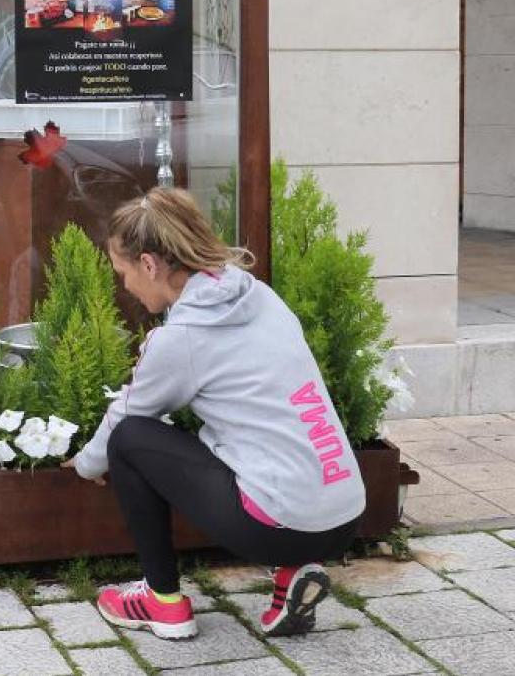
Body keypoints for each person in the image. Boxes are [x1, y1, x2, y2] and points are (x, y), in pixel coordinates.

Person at [62, 188, 365, 640]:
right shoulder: (259, 297)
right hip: (344, 516)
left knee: (128, 437)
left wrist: (85, 464)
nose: (123, 285)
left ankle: (161, 602)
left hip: (280, 526)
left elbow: (129, 412)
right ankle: (292, 576)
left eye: (122, 272)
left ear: (149, 264)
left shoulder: (182, 339)